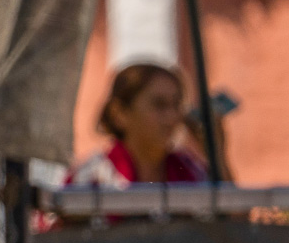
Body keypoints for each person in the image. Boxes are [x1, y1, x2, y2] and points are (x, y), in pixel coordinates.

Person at [68, 62, 207, 186]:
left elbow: (225, 211)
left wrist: (216, 150)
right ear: (120, 113)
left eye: (177, 105)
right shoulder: (92, 178)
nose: (172, 118)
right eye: (159, 105)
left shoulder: (191, 171)